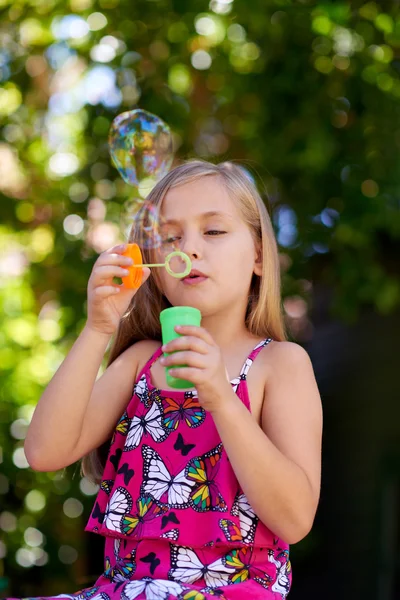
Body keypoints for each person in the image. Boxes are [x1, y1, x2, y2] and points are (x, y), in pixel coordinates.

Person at [14, 160, 322, 600]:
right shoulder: (142, 361)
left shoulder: (280, 364)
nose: (189, 248)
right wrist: (98, 327)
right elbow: (44, 451)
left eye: (213, 231)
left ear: (257, 254)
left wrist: (220, 396)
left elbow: (294, 520)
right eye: (171, 237)